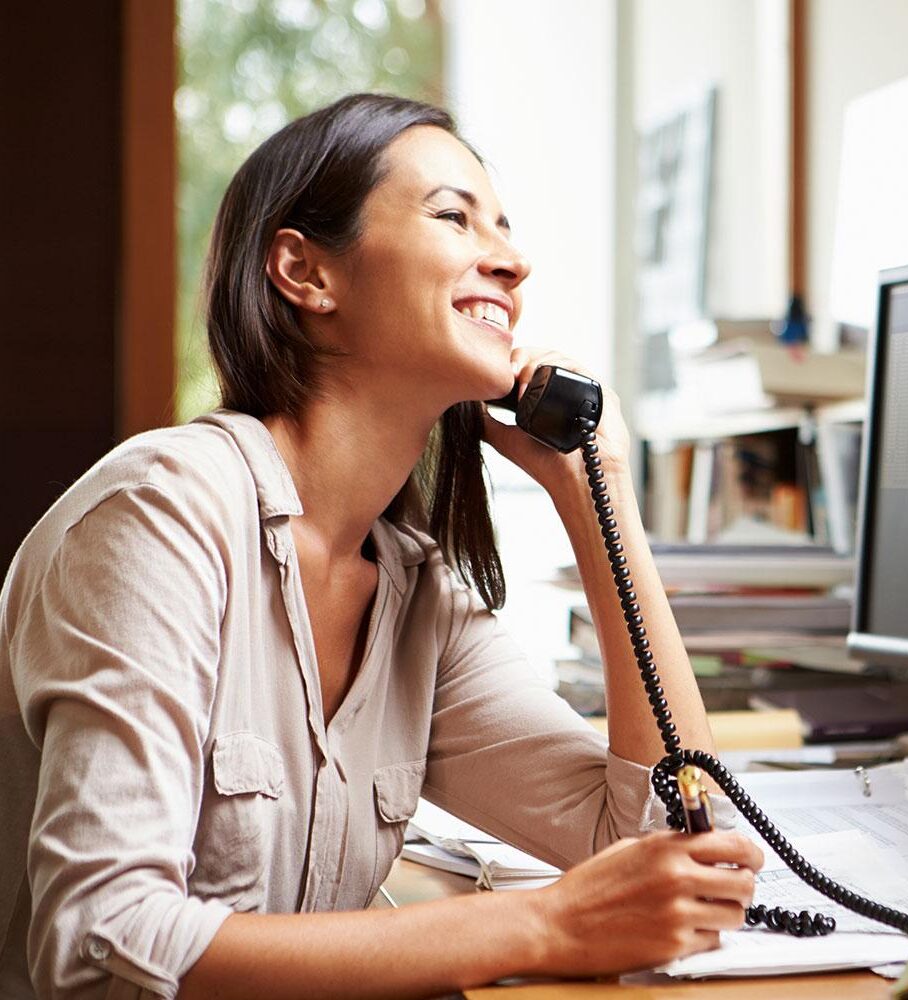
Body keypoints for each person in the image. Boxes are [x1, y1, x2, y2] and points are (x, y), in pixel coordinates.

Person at [0, 93, 762, 1000]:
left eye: (508, 230)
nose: (514, 262)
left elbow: (673, 853)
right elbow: (101, 939)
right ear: (305, 273)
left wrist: (602, 498)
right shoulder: (161, 516)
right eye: (454, 216)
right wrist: (540, 925)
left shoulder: (415, 597)